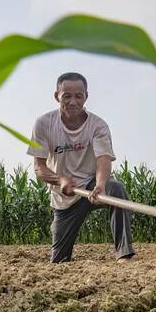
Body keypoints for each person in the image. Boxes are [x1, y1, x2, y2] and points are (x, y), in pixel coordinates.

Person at [27, 72, 135, 263]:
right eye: (66, 96)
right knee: (59, 260)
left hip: (92, 187)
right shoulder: (43, 124)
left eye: (79, 96)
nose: (73, 101)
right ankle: (62, 254)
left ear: (86, 97)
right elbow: (39, 167)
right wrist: (60, 180)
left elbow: (103, 159)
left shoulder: (98, 125)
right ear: (56, 96)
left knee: (116, 189)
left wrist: (100, 185)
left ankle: (124, 254)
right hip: (64, 197)